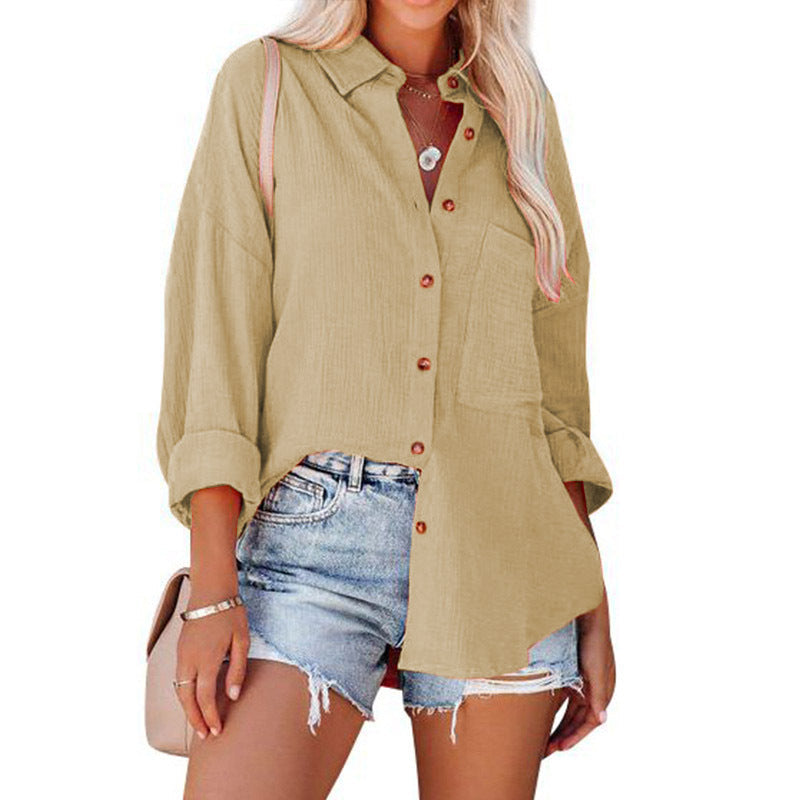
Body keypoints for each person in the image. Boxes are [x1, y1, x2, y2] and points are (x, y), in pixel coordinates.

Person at [156, 1, 617, 797]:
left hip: (502, 554)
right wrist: (210, 593)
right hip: (308, 550)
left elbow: (552, 397)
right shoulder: (268, 84)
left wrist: (590, 602)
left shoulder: (521, 114)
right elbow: (216, 348)